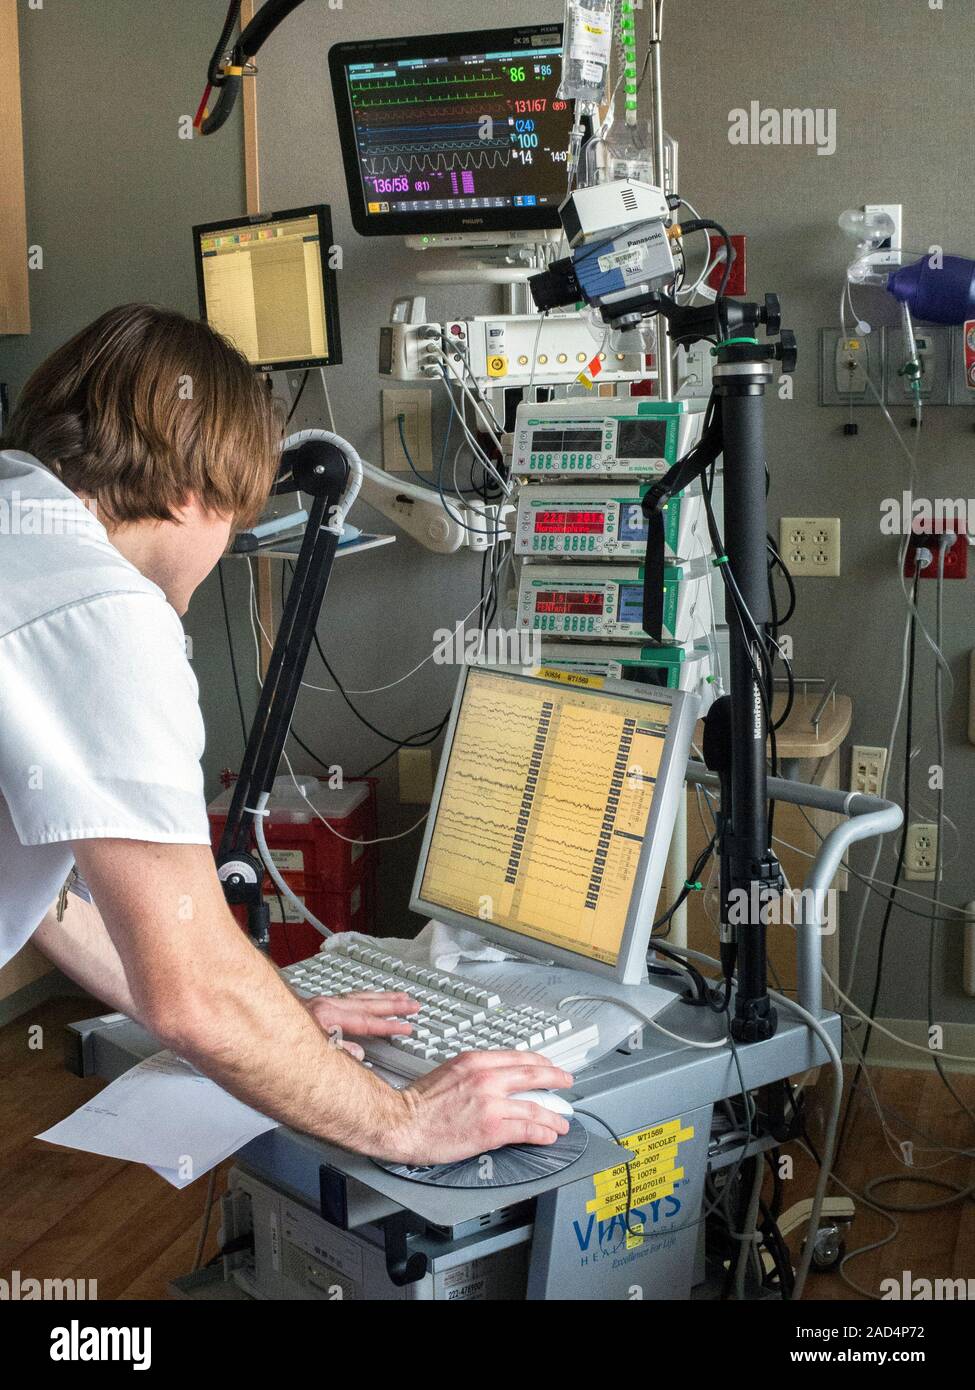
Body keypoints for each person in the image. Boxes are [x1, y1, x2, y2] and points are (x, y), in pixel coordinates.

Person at [0, 303, 572, 1165]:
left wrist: (266, 1022)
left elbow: (42, 893)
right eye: (234, 514)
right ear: (195, 492)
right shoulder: (102, 610)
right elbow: (190, 989)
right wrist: (401, 1119)